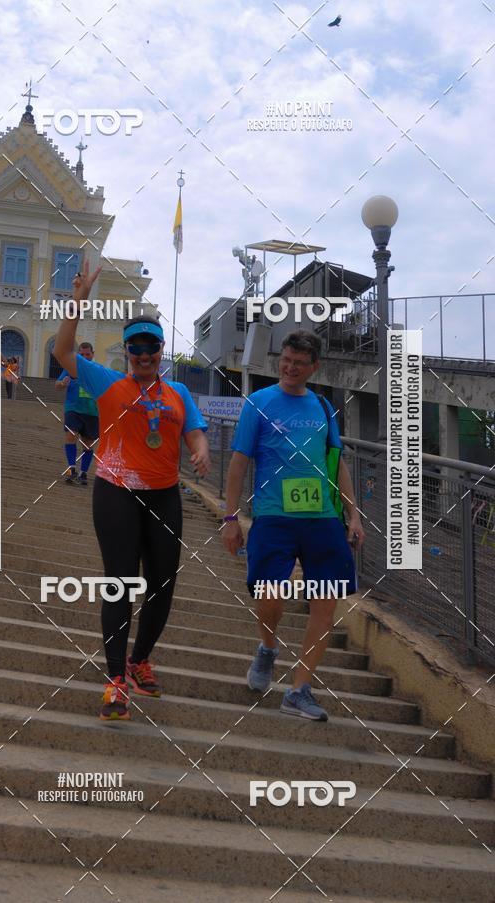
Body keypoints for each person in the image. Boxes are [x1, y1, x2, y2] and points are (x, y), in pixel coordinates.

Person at [54, 261, 210, 721]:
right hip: (116, 491)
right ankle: (116, 679)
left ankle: (141, 660)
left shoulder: (178, 391)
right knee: (121, 583)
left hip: (163, 495)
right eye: (136, 348)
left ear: (162, 350)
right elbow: (63, 351)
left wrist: (200, 451)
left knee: (163, 584)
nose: (144, 355)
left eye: (152, 348)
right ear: (126, 351)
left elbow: (195, 432)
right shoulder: (108, 383)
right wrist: (78, 300)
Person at [222, 330, 365, 722]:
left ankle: (300, 689)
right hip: (274, 516)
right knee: (270, 595)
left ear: (313, 367)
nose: (290, 368)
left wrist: (353, 514)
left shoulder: (322, 406)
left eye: (299, 363)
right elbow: (237, 464)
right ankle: (267, 647)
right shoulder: (260, 403)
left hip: (322, 520)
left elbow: (337, 464)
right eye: (286, 360)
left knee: (325, 602)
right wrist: (231, 518)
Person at [55, 342, 99, 485]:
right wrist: (63, 384)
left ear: (93, 354)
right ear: (77, 354)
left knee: (88, 444)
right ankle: (71, 469)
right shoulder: (71, 368)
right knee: (70, 435)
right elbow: (57, 384)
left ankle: (83, 473)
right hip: (73, 409)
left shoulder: (97, 371)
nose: (85, 357)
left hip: (92, 412)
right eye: (82, 354)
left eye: (88, 354)